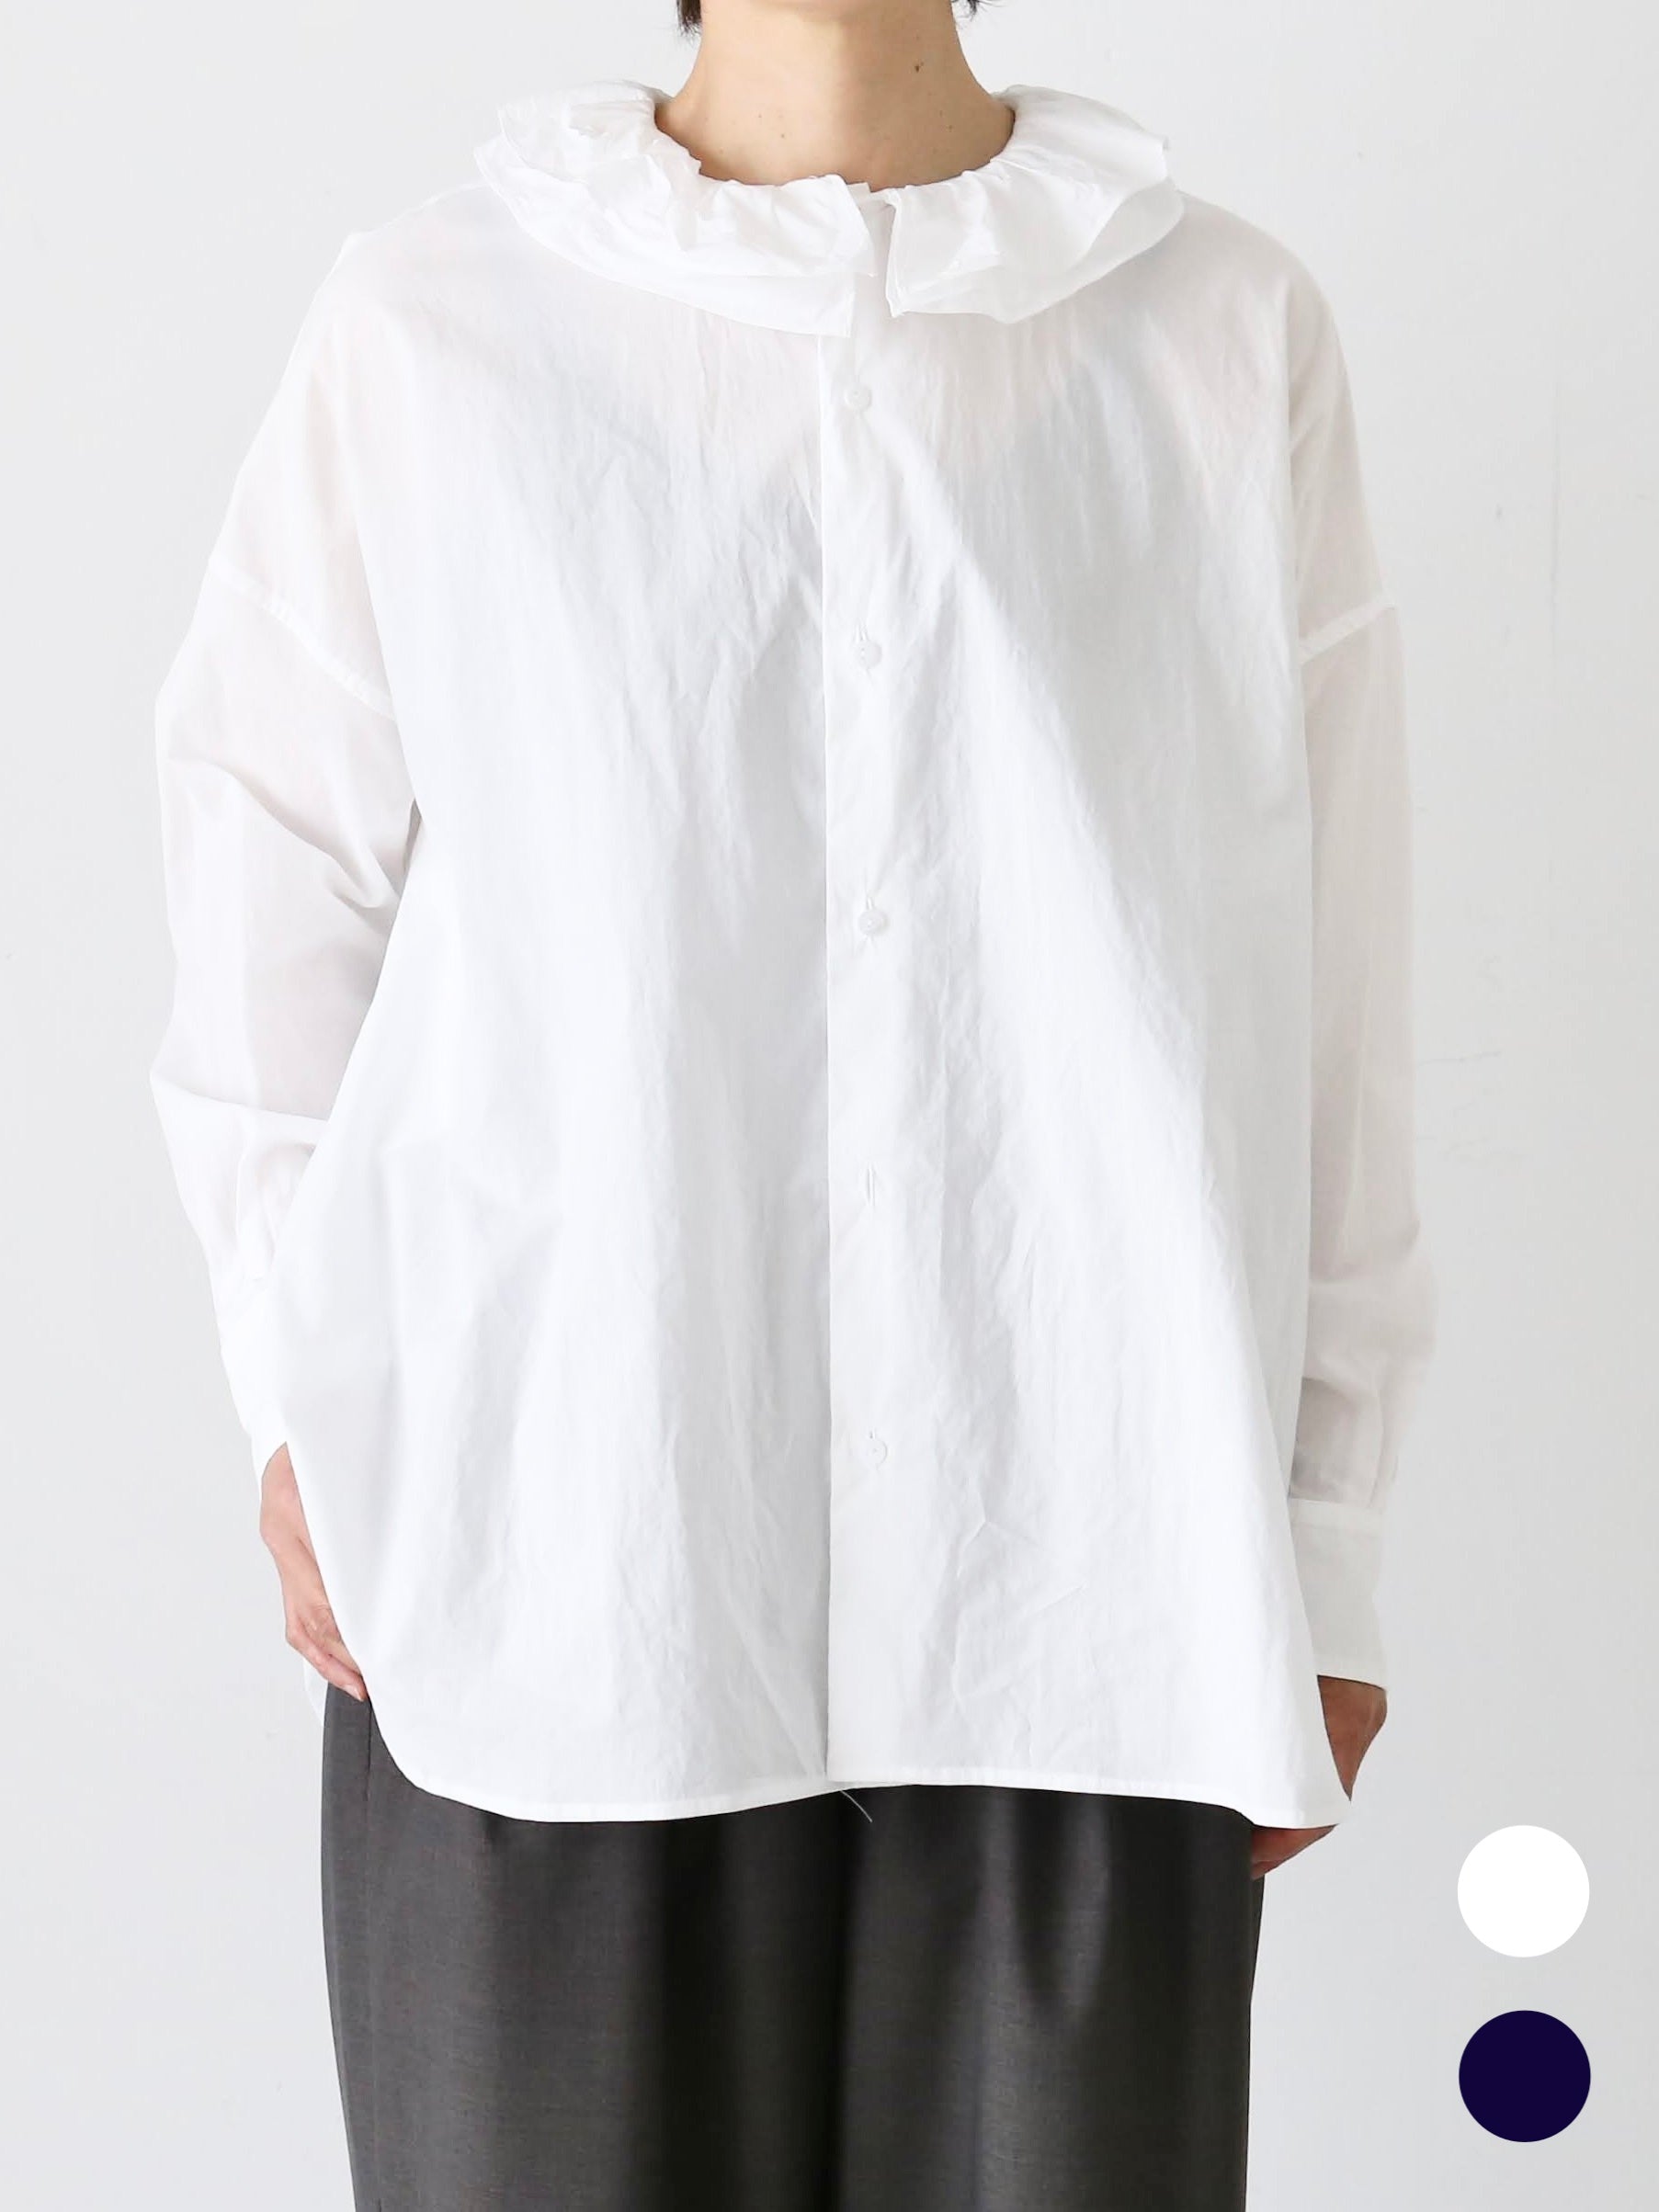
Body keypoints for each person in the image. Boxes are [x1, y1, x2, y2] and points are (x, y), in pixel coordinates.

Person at [148, 1, 1437, 2206]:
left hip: (1094, 1601)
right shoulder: (429, 321)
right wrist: (303, 1399)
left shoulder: (1221, 331)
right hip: (549, 1586)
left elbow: (1334, 973)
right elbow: (267, 882)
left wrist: (1321, 1544)